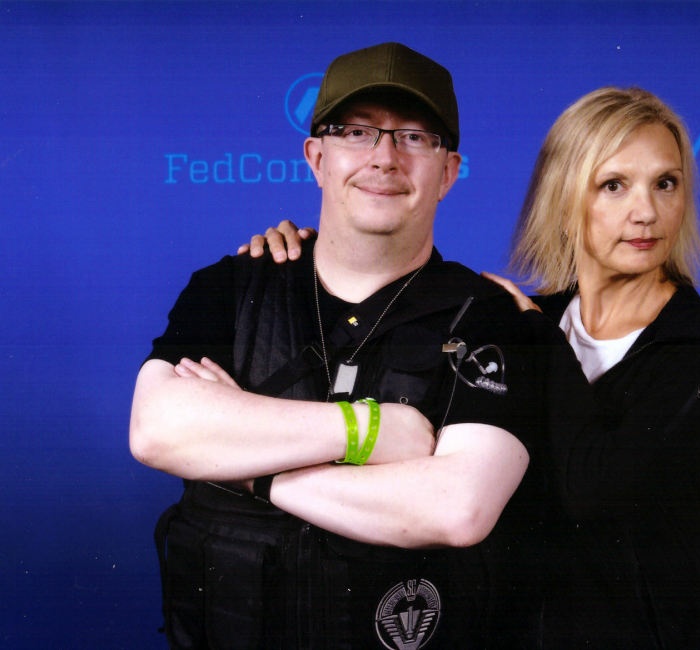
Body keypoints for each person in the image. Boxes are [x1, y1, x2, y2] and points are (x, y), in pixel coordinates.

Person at [253, 86, 700, 648]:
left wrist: (539, 339)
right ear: (565, 196)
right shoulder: (520, 321)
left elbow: (592, 488)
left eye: (666, 183)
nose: (647, 212)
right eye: (614, 185)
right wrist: (303, 257)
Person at [130, 42, 559, 649]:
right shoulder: (229, 288)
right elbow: (155, 430)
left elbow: (456, 508)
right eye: (357, 132)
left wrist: (254, 474)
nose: (384, 157)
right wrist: (368, 432)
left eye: (414, 137)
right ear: (317, 157)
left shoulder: (491, 317)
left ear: (448, 171)